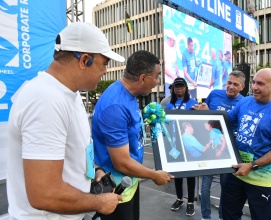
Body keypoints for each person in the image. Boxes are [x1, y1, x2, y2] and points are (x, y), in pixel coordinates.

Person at [6, 22, 125, 219]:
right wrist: (99, 202)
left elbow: (69, 152)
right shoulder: (45, 99)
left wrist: (93, 171)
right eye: (104, 63)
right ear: (84, 60)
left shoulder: (69, 93)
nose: (105, 70)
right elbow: (43, 194)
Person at [92, 50, 173, 220]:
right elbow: (121, 163)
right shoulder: (115, 106)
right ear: (143, 78)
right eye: (157, 76)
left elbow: (128, 129)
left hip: (130, 182)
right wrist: (154, 175)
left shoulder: (129, 95)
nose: (158, 81)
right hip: (116, 190)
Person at [222, 68, 271, 220]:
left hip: (262, 180)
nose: (254, 87)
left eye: (260, 84)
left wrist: (251, 165)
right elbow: (227, 122)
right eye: (253, 82)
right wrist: (207, 114)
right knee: (228, 215)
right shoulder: (245, 102)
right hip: (236, 173)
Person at [193, 70, 246, 220]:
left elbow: (233, 126)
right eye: (229, 83)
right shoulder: (215, 94)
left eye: (235, 84)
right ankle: (205, 217)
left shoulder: (244, 102)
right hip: (209, 148)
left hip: (227, 150)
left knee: (226, 188)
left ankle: (223, 216)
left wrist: (209, 112)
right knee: (205, 187)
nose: (230, 86)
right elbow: (202, 118)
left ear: (242, 87)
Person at [166, 77, 198, 216]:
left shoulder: (193, 103)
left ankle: (190, 201)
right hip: (174, 143)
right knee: (177, 173)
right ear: (173, 89)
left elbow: (198, 123)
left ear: (186, 88)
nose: (179, 89)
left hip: (188, 142)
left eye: (181, 87)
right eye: (176, 87)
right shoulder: (169, 105)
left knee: (190, 174)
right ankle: (179, 198)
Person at [164, 29, 179, 96]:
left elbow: (175, 62)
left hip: (174, 80)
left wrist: (177, 72)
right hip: (167, 81)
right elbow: (163, 67)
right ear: (170, 39)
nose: (174, 43)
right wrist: (173, 76)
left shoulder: (173, 48)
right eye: (173, 41)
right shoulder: (164, 47)